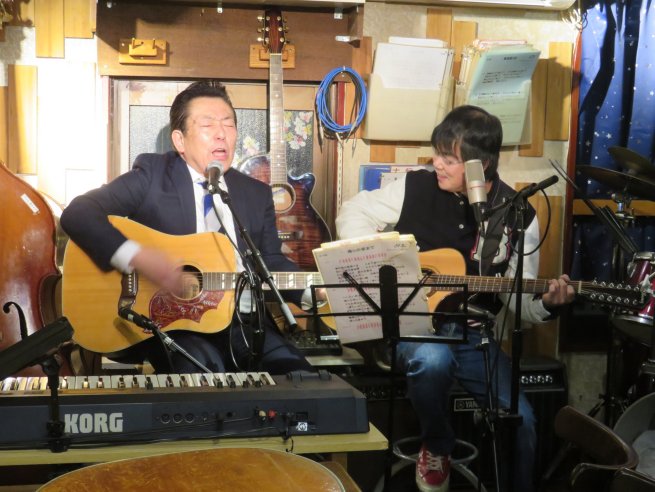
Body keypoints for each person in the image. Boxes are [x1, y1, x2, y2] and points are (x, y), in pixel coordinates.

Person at [336, 105, 575, 492]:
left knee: (524, 422)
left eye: (449, 159)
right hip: (414, 326)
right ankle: (438, 443)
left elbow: (520, 301)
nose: (437, 164)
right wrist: (384, 257)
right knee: (433, 360)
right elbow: (354, 211)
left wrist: (548, 304)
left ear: (481, 165)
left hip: (475, 337)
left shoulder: (518, 215)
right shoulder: (415, 186)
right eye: (437, 154)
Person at [61, 80, 315, 375]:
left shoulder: (255, 194)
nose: (221, 133)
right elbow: (78, 213)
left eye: (228, 124)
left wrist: (313, 291)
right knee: (204, 376)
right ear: (180, 141)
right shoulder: (154, 176)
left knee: (302, 380)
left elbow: (270, 262)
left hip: (245, 324)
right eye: (207, 125)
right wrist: (137, 257)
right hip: (175, 326)